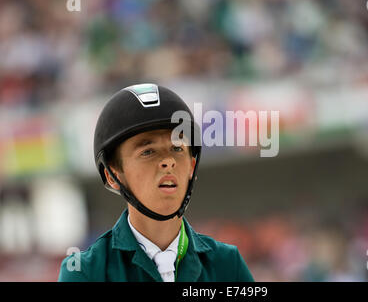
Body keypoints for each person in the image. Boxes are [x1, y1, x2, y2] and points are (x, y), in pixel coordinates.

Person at [58, 83, 254, 282]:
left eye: (177, 148)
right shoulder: (85, 272)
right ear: (112, 175)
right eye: (148, 151)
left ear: (192, 166)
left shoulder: (228, 264)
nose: (168, 161)